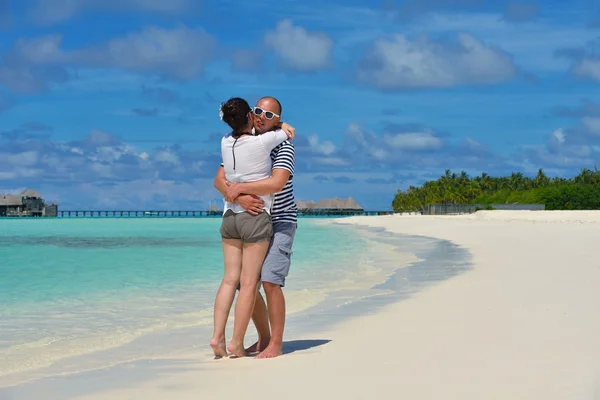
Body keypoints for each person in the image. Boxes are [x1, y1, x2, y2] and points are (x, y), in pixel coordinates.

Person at [210, 97, 294, 359]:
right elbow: (219, 179)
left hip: (280, 219)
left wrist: (238, 190)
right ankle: (262, 338)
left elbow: (276, 183)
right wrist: (240, 196)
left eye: (269, 114)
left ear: (277, 119)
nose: (262, 116)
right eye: (258, 111)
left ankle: (276, 343)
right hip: (250, 214)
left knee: (269, 281)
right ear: (251, 114)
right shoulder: (250, 138)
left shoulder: (282, 146)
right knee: (246, 284)